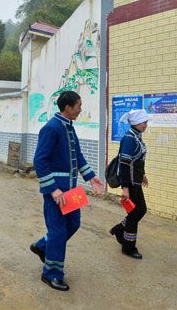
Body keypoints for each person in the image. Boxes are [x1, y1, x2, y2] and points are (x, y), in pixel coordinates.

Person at [29, 90, 104, 291]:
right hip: (57, 193)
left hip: (71, 190)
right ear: (68, 107)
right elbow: (39, 161)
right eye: (79, 106)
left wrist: (91, 177)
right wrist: (53, 190)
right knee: (58, 231)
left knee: (74, 224)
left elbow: (77, 155)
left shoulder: (69, 127)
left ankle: (42, 246)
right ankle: (51, 273)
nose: (80, 110)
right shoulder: (51, 128)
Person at [109, 109, 149, 259]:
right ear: (136, 122)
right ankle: (128, 247)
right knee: (137, 212)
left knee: (138, 211)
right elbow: (124, 164)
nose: (145, 125)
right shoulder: (129, 139)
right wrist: (125, 188)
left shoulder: (136, 136)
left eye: (146, 122)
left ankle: (120, 230)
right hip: (130, 182)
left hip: (136, 180)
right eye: (144, 122)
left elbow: (138, 160)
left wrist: (143, 174)